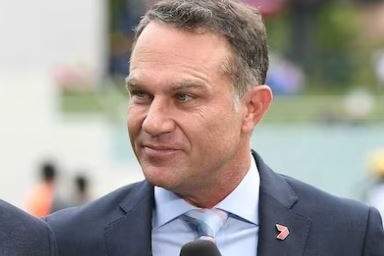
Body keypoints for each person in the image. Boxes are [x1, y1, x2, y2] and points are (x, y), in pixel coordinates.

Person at [45, 0, 384, 255]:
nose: (154, 122)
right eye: (141, 94)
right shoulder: (63, 241)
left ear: (252, 108)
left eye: (184, 97)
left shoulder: (350, 235)